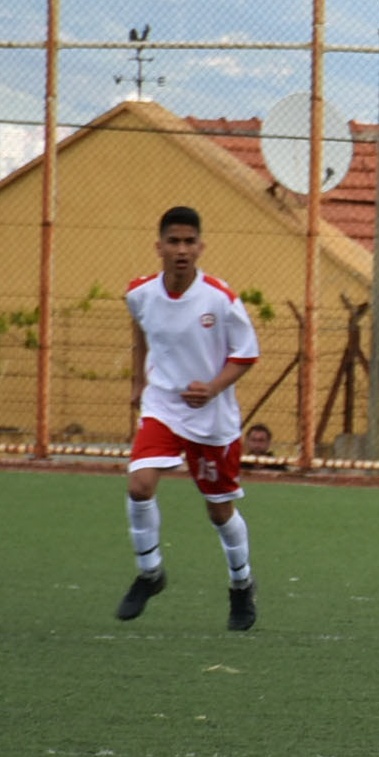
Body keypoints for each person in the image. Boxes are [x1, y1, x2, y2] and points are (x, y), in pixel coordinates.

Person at [118, 205, 263, 630]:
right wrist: (139, 380)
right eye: (173, 242)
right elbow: (141, 330)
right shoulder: (140, 293)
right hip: (163, 404)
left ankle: (241, 584)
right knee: (139, 485)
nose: (181, 250)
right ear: (159, 246)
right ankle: (150, 573)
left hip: (212, 417)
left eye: (189, 242)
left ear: (201, 247)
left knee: (219, 512)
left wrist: (214, 387)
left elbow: (247, 354)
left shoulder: (220, 298)